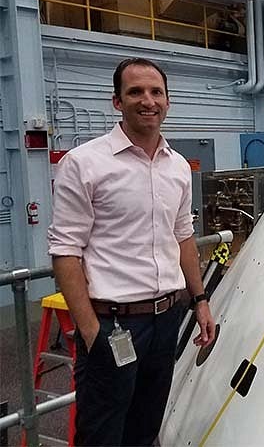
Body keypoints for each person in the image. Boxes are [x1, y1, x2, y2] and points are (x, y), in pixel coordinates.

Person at [48, 57, 215, 446]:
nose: (147, 100)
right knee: (102, 434)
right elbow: (65, 251)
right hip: (113, 323)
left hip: (165, 319)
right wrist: (91, 332)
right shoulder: (85, 163)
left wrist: (200, 300)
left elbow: (183, 237)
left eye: (156, 92)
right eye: (135, 91)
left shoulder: (177, 166)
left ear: (167, 101)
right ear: (117, 102)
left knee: (144, 430)